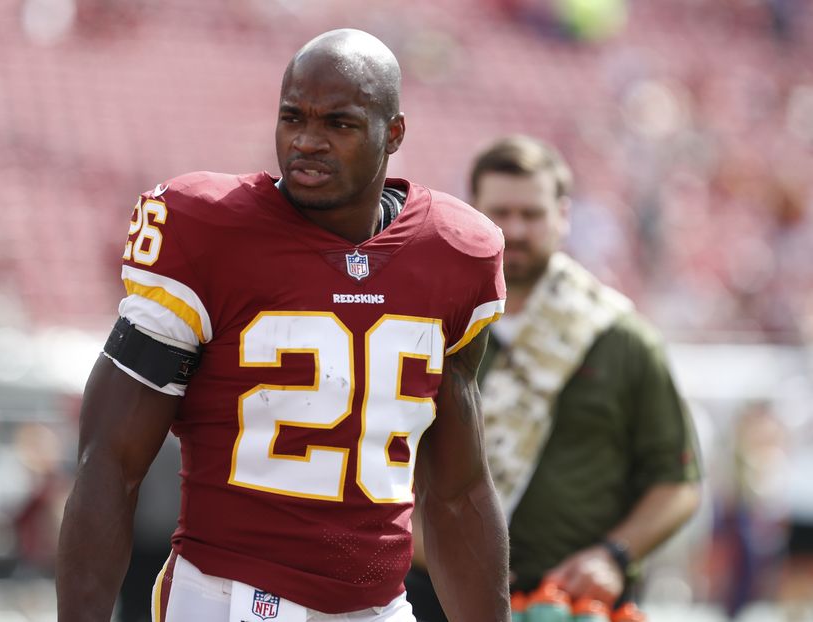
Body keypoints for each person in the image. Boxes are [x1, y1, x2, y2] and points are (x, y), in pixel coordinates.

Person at [56, 29, 511, 622]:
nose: (307, 142)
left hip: (378, 606)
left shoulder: (453, 252)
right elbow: (109, 461)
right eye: (292, 117)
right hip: (228, 598)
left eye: (339, 125)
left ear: (393, 133)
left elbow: (458, 493)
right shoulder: (208, 231)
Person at [405, 135, 702, 619]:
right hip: (436, 591)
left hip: (577, 603)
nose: (516, 229)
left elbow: (679, 482)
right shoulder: (428, 326)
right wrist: (417, 539)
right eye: (500, 212)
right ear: (471, 214)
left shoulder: (621, 337)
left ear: (563, 215)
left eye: (533, 214)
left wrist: (614, 555)